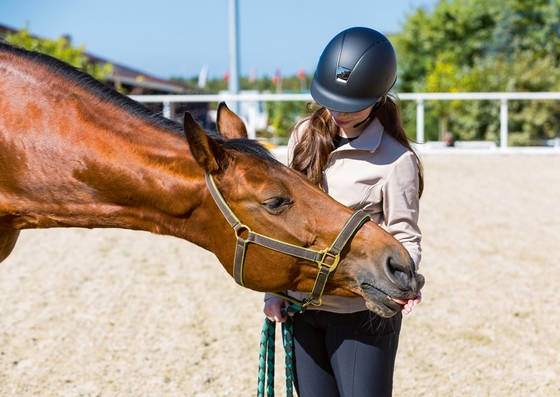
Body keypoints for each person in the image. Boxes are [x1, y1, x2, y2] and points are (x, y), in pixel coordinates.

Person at [263, 27, 424, 397]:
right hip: (301, 307)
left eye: (351, 105)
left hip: (360, 314)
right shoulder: (302, 136)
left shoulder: (397, 160)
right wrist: (274, 290)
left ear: (379, 95)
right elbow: (282, 223)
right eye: (331, 100)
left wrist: (406, 279)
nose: (337, 112)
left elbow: (405, 233)